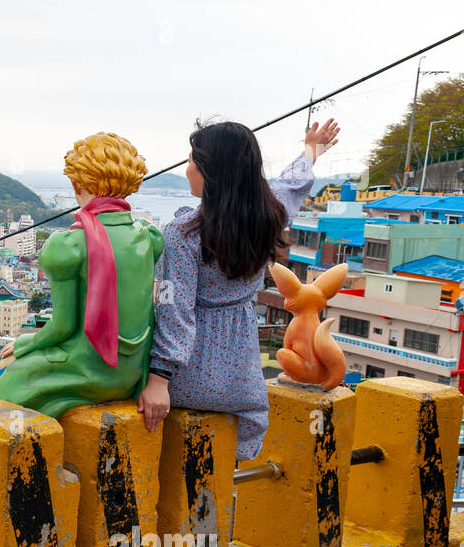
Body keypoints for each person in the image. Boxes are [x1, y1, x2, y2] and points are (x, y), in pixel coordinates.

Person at [136, 118, 341, 460]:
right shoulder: (267, 216)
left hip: (188, 377)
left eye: (191, 161)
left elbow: (175, 309)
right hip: (242, 380)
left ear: (209, 171)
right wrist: (311, 150)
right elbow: (290, 186)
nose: (187, 169)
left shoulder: (183, 233)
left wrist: (158, 378)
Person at [0, 132, 164, 417]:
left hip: (89, 368)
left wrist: (24, 344)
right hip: (131, 374)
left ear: (78, 182)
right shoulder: (149, 236)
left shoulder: (68, 245)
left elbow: (62, 326)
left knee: (7, 386)